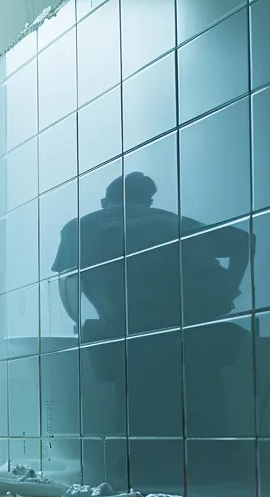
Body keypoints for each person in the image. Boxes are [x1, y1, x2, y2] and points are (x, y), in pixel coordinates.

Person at [50, 172, 251, 433]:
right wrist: (228, 290)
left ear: (104, 201)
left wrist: (79, 322)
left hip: (130, 326)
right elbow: (244, 242)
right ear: (148, 200)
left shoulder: (82, 227)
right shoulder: (171, 222)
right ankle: (213, 460)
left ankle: (140, 461)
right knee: (201, 394)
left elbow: (68, 280)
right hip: (188, 324)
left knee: (136, 398)